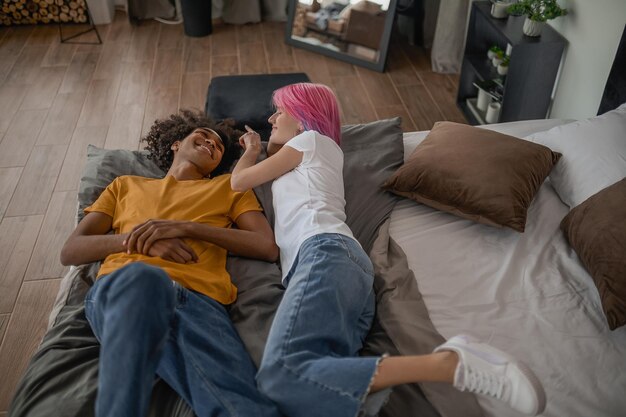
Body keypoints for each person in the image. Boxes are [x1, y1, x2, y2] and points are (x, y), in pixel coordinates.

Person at [230, 83, 547, 417]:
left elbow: (239, 182)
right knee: (315, 393)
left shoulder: (309, 142)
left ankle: (451, 364)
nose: (271, 118)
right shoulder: (311, 153)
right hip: (339, 268)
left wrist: (251, 149)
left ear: (304, 113)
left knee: (281, 376)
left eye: (280, 110)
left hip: (323, 254)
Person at [60, 110, 282, 417]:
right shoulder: (124, 185)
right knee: (144, 278)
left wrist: (187, 228)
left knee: (241, 403)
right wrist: (139, 240)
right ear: (176, 143)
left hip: (197, 302)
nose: (210, 143)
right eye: (202, 136)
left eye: (218, 146)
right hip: (127, 286)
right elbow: (71, 250)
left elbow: (267, 247)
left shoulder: (228, 188)